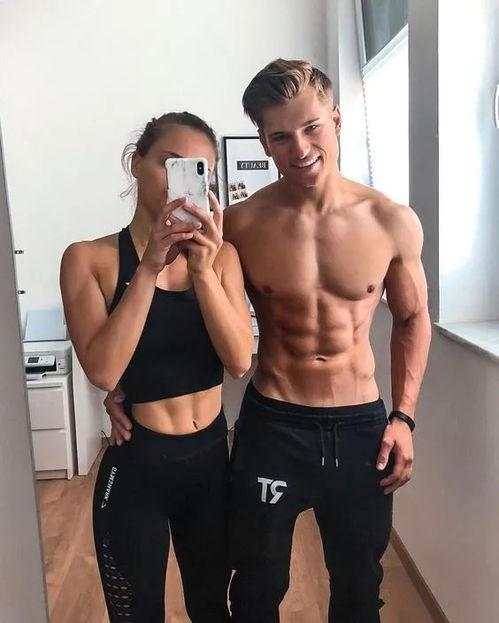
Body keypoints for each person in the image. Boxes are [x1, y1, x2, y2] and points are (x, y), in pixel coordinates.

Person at [106, 59, 431, 622]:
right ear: (264, 143)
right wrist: (124, 385)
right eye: (280, 137)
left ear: (336, 120)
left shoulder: (391, 221)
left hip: (361, 427)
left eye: (311, 128)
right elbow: (175, 300)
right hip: (274, 425)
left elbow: (412, 319)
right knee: (255, 587)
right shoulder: (240, 223)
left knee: (360, 588)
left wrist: (403, 417)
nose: (299, 148)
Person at [60, 112, 253, 623]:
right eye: (170, 164)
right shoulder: (89, 260)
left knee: (211, 608)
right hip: (137, 467)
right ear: (136, 163)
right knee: (136, 614)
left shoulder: (223, 258)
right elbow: (104, 371)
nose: (182, 181)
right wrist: (148, 266)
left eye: (198, 170)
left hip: (210, 463)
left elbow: (238, 361)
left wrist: (202, 273)